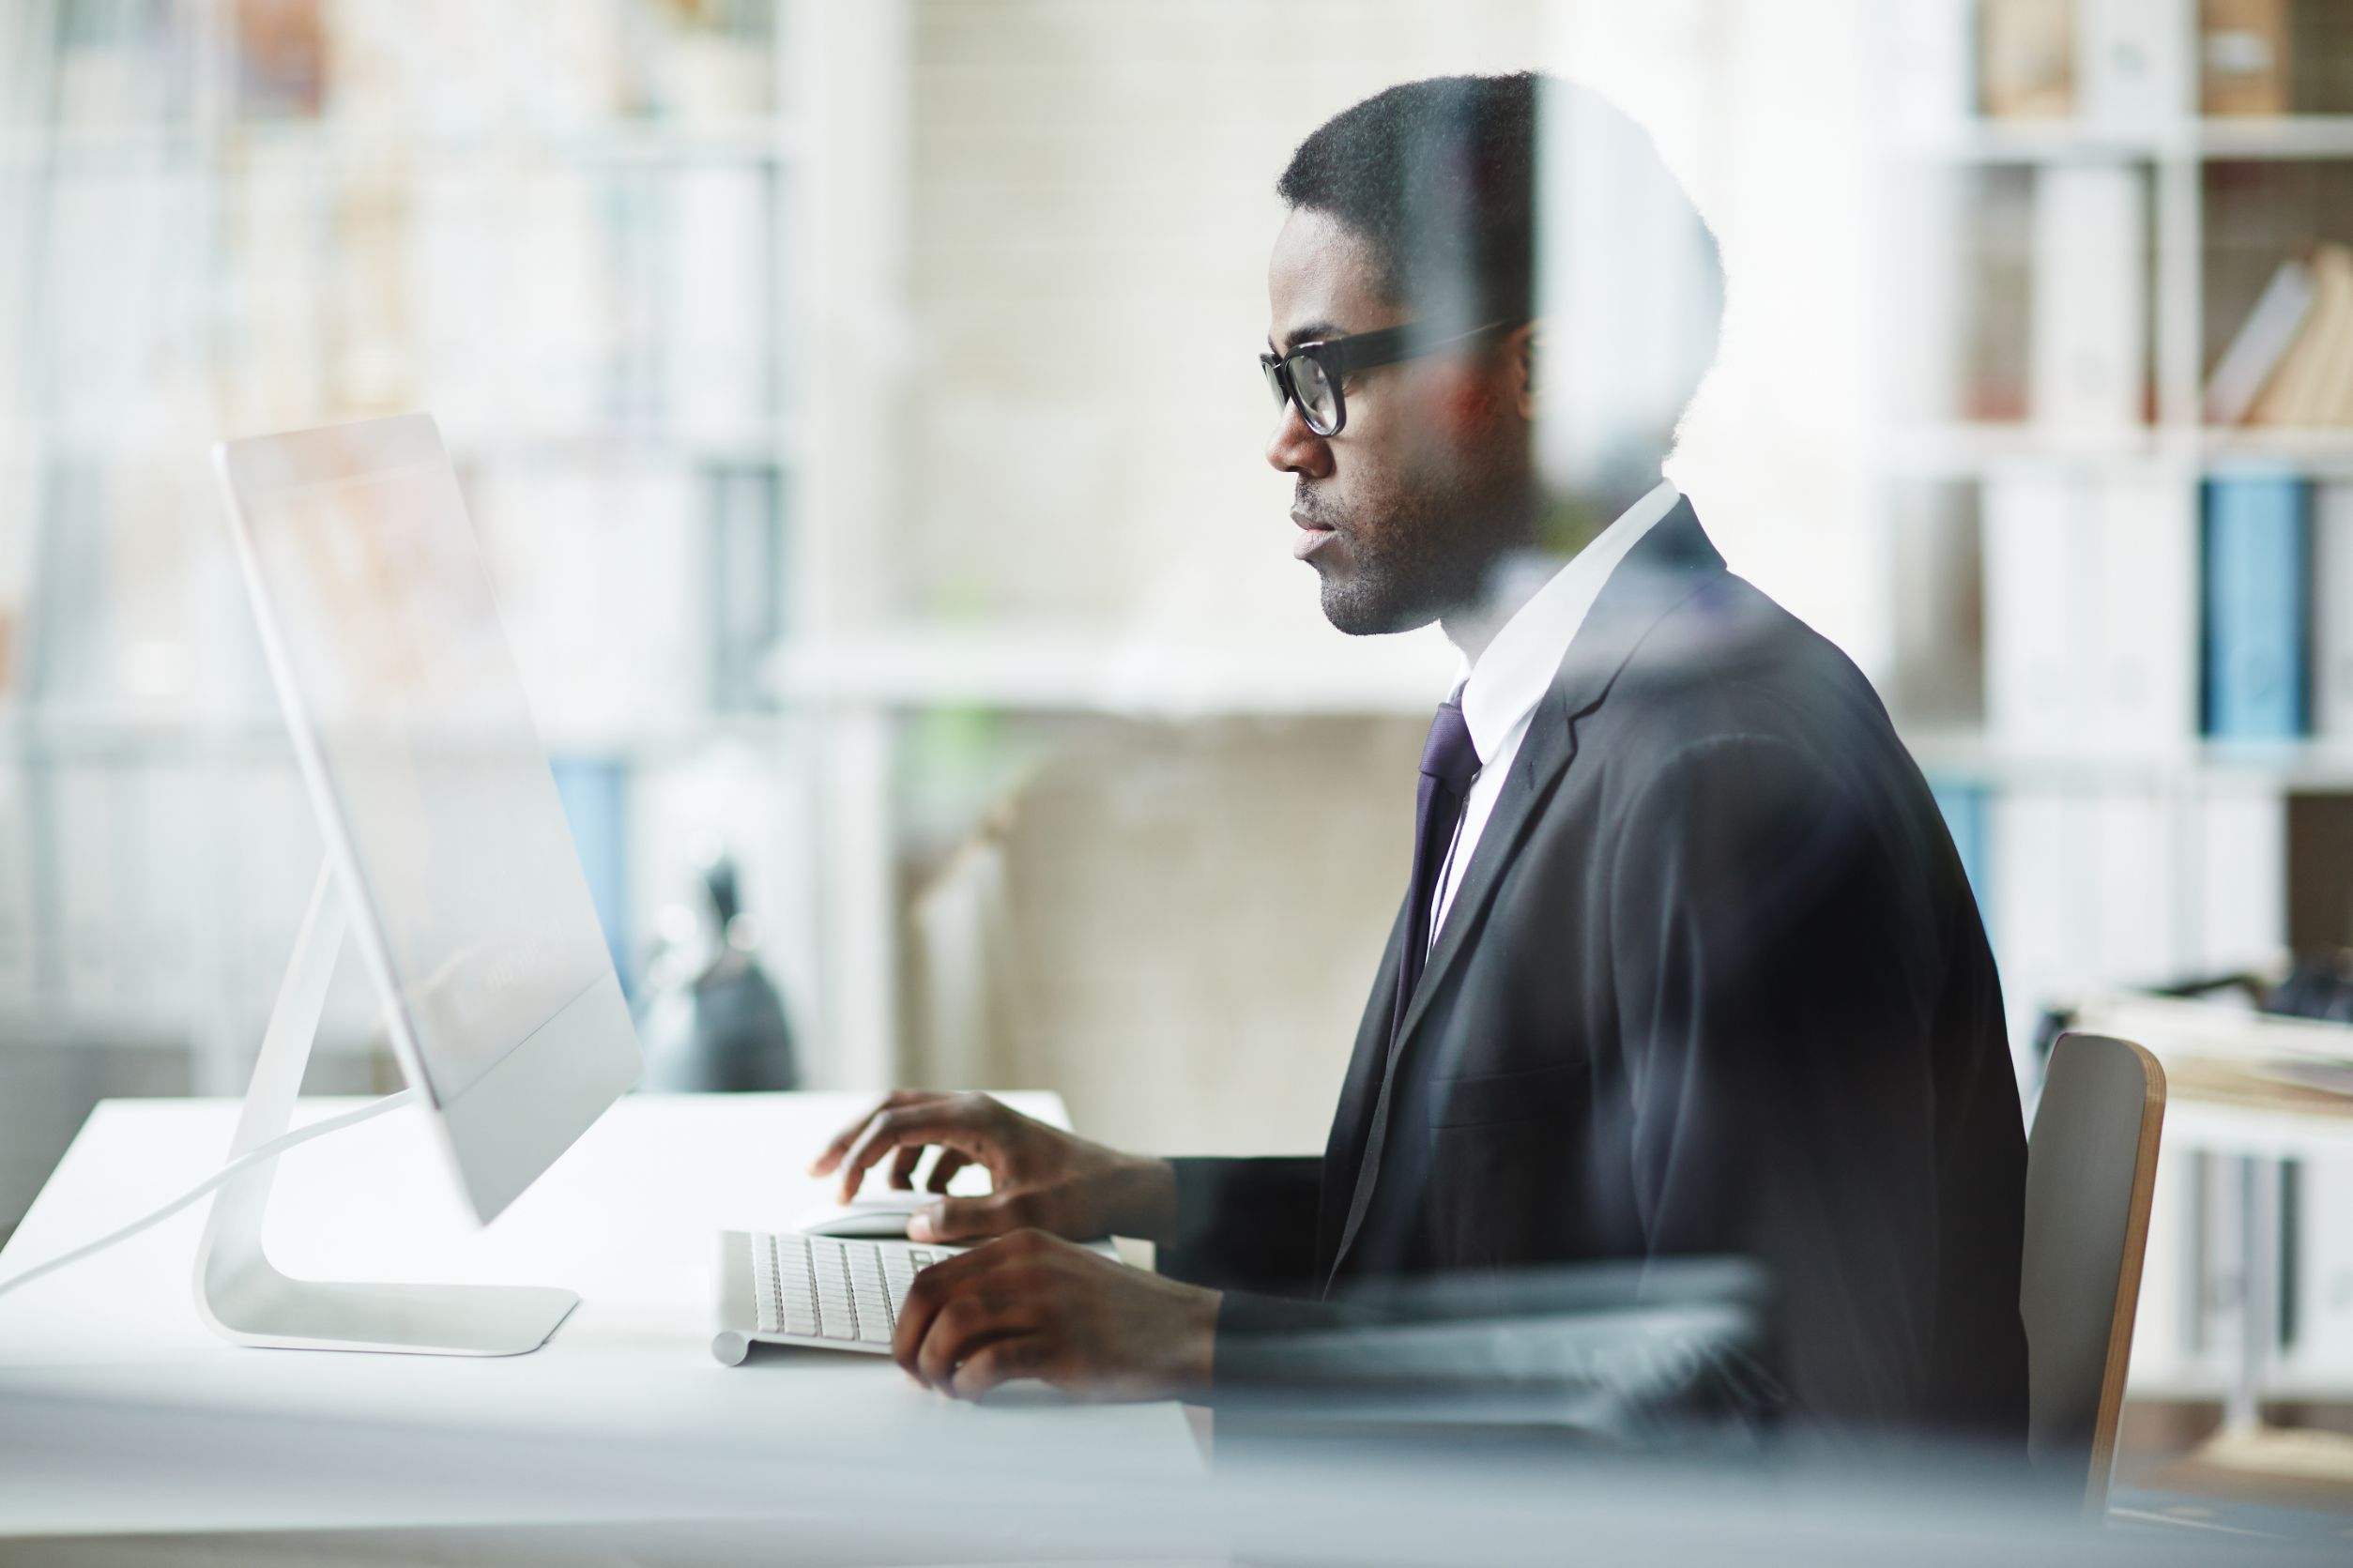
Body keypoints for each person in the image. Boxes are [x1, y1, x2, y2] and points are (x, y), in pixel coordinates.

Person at [810, 72, 2029, 1440]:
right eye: (1281, 380)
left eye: (1324, 374)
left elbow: (1780, 1413)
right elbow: (1489, 1225)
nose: (1284, 441)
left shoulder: (1723, 774)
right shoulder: (1544, 718)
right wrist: (1141, 1197)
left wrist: (1198, 1339)